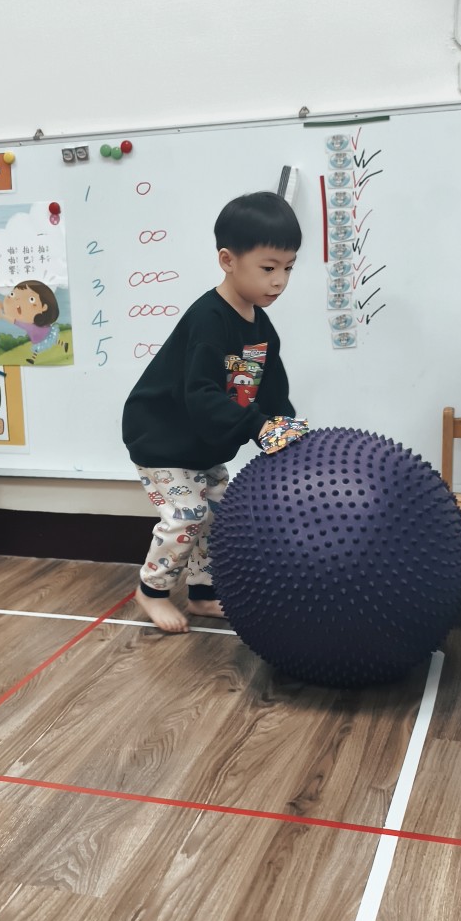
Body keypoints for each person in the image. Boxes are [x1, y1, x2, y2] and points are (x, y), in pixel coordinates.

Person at [122, 190, 302, 633]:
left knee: (220, 517)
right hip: (161, 439)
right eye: (268, 268)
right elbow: (201, 395)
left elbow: (272, 391)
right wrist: (257, 426)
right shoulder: (208, 319)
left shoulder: (260, 326)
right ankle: (151, 591)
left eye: (288, 268)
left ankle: (202, 595)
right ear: (228, 260)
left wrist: (288, 433)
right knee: (187, 517)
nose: (279, 281)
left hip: (201, 446)